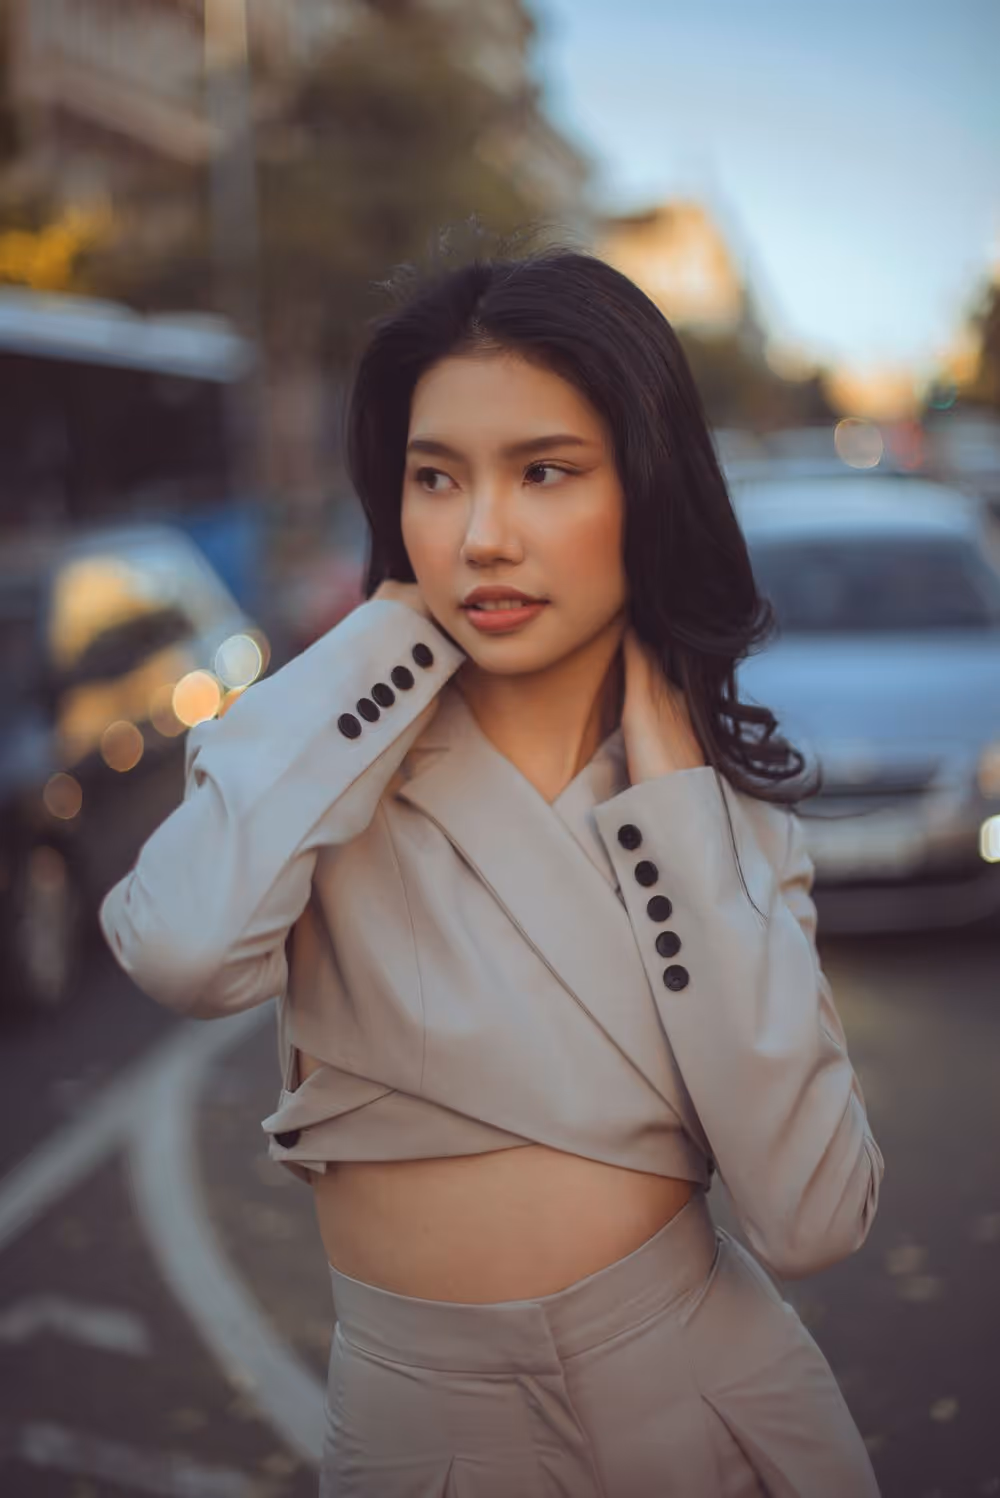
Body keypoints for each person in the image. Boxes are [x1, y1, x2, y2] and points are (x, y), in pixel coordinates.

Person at [100, 246, 884, 1497]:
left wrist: (680, 812)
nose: (481, 535)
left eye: (544, 472)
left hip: (704, 1398)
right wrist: (392, 643)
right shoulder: (330, 770)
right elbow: (181, 947)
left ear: (645, 487)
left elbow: (810, 1218)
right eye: (434, 479)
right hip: (425, 1427)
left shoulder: (724, 827)